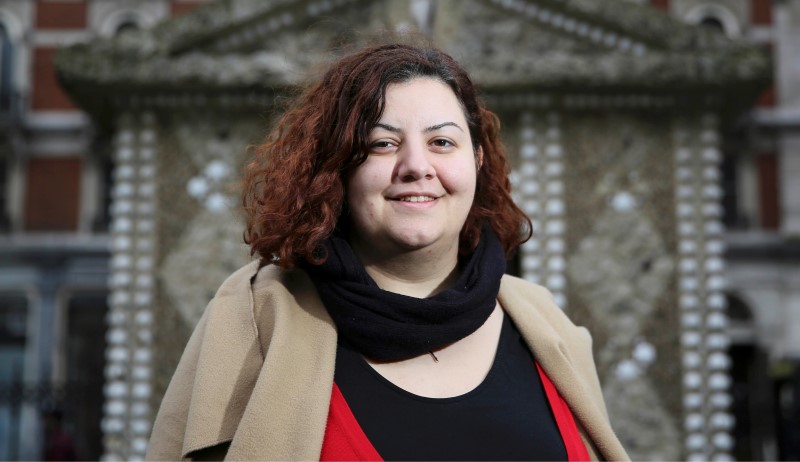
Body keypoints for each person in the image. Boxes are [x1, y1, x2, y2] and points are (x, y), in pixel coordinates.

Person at [146, 43, 628, 461]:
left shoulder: (547, 325)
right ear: (335, 169)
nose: (416, 166)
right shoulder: (252, 320)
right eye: (382, 143)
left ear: (476, 161)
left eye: (442, 141)